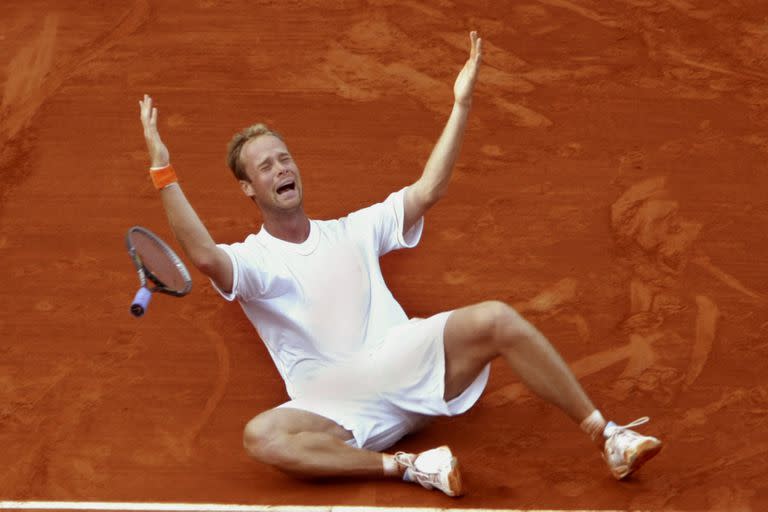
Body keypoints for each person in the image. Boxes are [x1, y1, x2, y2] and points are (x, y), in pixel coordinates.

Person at [137, 32, 661, 497]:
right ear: (250, 188)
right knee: (262, 437)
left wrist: (461, 105)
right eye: (267, 165)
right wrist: (163, 170)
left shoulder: (353, 229)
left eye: (285, 157)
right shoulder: (254, 261)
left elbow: (428, 189)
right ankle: (409, 467)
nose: (282, 168)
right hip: (339, 408)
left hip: (408, 367)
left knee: (498, 318)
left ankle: (607, 435)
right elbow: (205, 255)